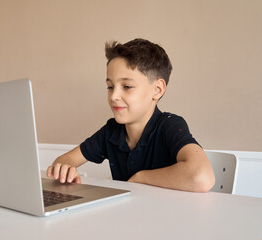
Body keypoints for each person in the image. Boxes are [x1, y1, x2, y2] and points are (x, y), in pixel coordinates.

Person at [47, 38, 215, 193]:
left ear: (157, 90)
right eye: (110, 87)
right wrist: (65, 168)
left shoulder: (169, 125)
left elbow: (202, 177)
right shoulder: (111, 131)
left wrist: (140, 178)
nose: (113, 96)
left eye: (127, 86)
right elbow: (66, 159)